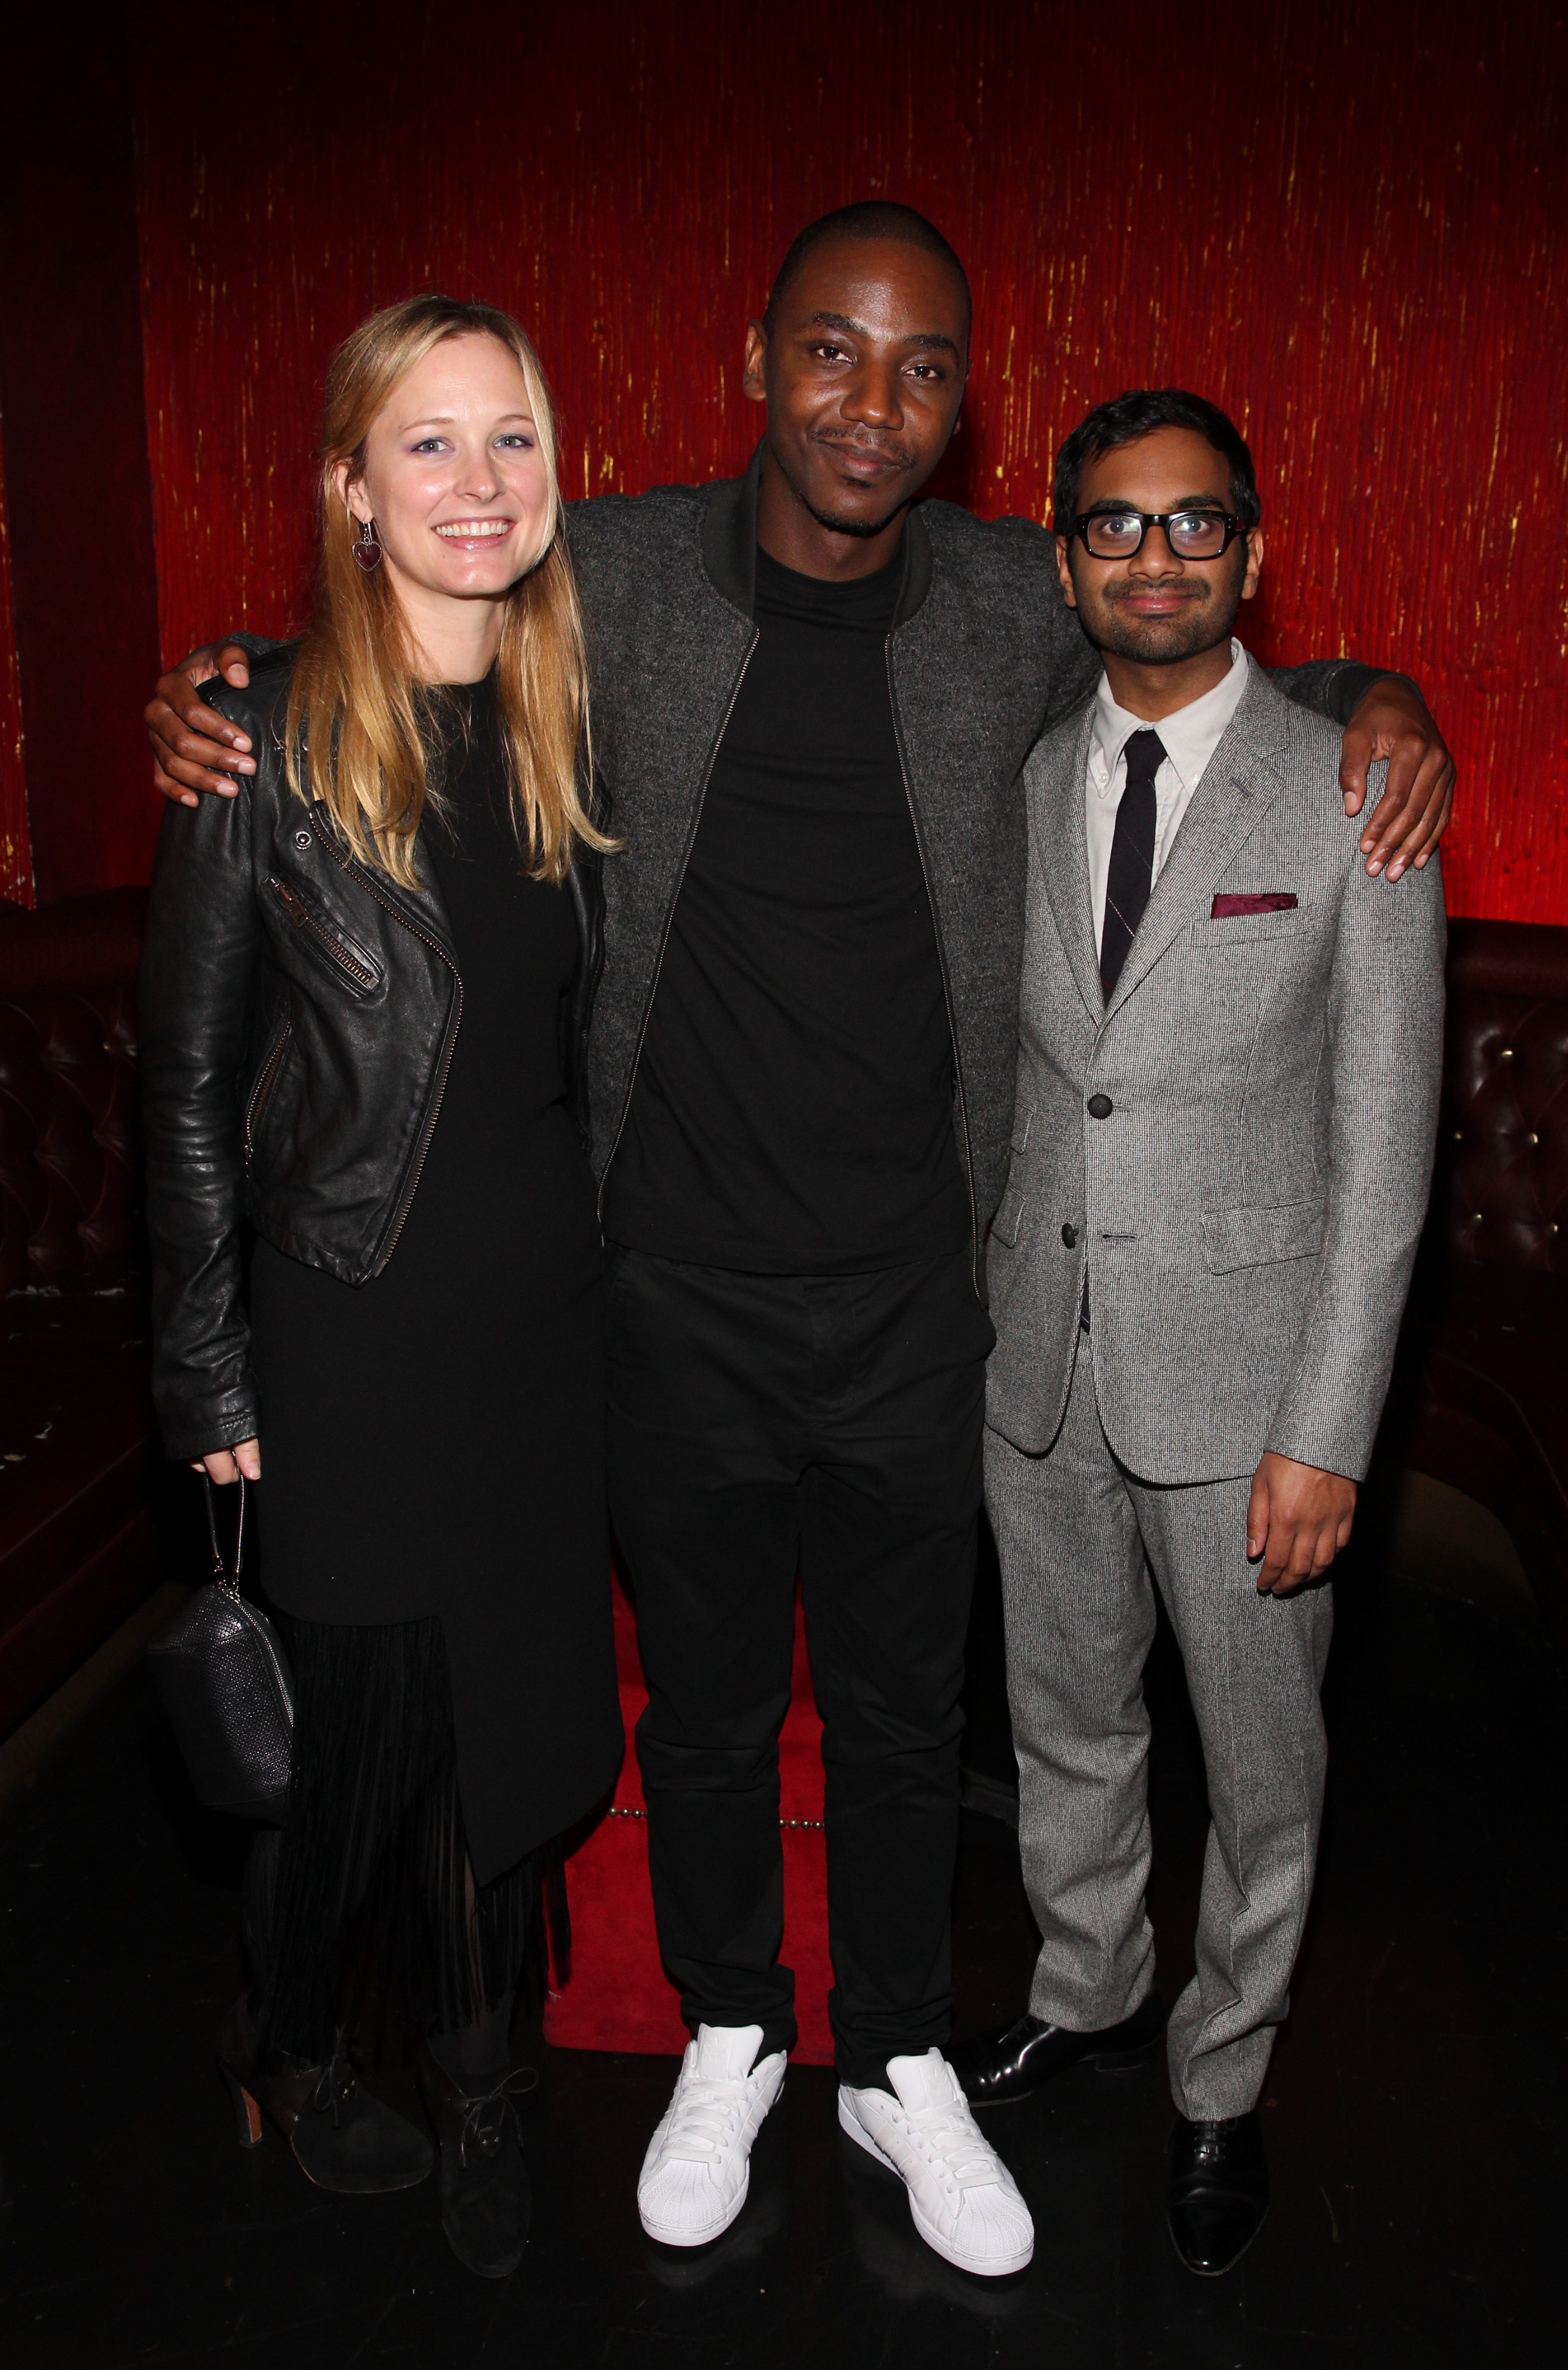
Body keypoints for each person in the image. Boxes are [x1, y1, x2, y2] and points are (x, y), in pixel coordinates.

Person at [142, 203, 1456, 2278]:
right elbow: (410, 592)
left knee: (909, 1713)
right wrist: (215, 684)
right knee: (705, 1709)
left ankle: (899, 2051)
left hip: (926, 1294)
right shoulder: (614, 571)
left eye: (922, 368)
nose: (871, 401)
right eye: (832, 351)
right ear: (756, 364)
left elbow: (1206, 649)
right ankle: (732, 2028)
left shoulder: (1002, 600)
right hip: (665, 1287)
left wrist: (1384, 698)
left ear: (961, 411)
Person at [138, 295, 622, 2282]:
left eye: (511, 438)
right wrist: (203, 1362)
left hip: (543, 1336)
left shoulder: (577, 713)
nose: (476, 481)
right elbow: (183, 1082)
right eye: (426, 441)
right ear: (350, 485)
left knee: (505, 1721)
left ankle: (480, 2070)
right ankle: (296, 2032)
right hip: (344, 1331)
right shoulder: (253, 735)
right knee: (351, 1747)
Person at [951, 390, 1446, 2276]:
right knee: (1064, 1716)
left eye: (1191, 522)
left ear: (1249, 550)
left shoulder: (1351, 787)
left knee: (1258, 1762)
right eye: (1112, 524)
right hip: (1035, 1362)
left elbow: (1384, 1153)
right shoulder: (1018, 776)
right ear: (1063, 557)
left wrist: (1327, 1428)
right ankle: (1085, 1986)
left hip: (1251, 1396)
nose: (1151, 558)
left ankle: (1222, 2070)